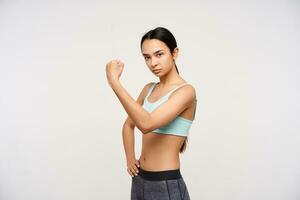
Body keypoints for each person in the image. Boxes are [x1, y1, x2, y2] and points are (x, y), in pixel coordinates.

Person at [105, 27, 197, 200]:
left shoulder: (186, 92)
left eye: (159, 54)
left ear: (174, 53)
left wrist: (115, 83)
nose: (153, 62)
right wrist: (130, 158)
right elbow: (128, 125)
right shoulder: (148, 89)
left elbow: (146, 124)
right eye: (147, 57)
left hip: (166, 184)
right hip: (140, 180)